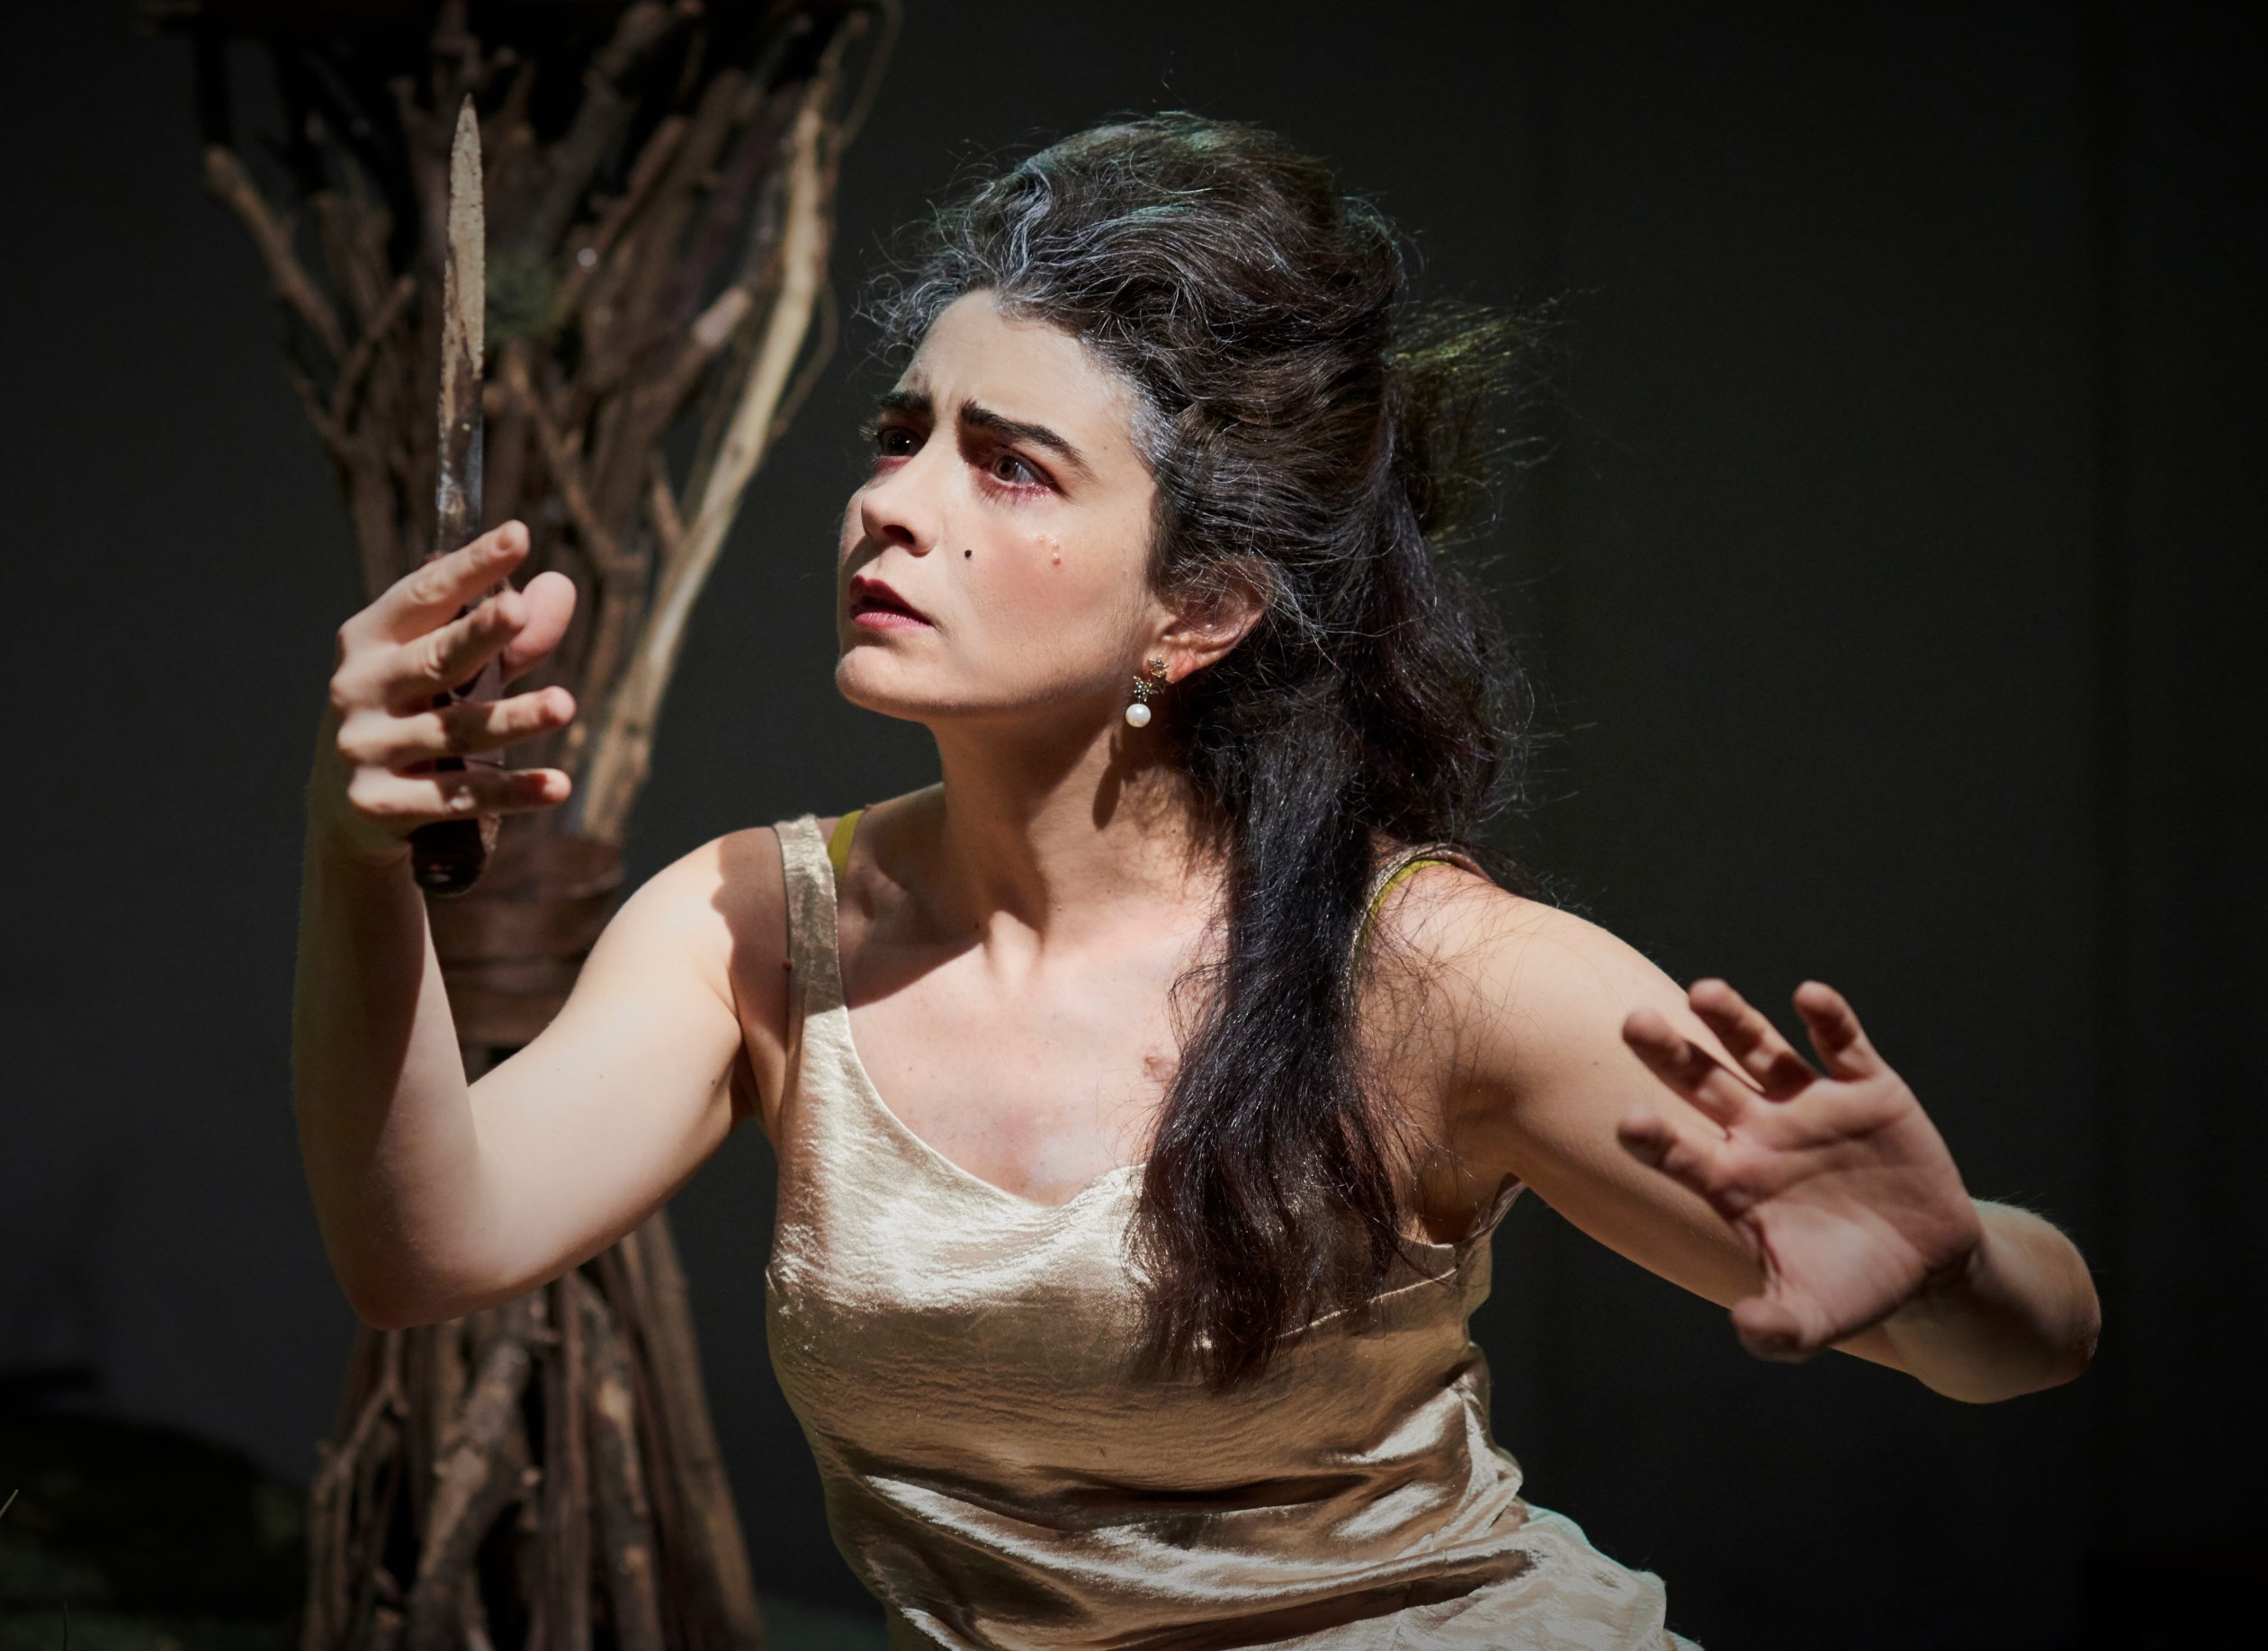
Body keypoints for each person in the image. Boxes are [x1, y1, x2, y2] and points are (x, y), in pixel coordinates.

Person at [294, 115, 2100, 1649]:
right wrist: (357, 849)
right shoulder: (754, 930)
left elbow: (2023, 1346)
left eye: (1011, 468)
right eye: (902, 434)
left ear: (1199, 607)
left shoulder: (1426, 974)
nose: (896, 503)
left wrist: (1949, 1273)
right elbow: (428, 1247)